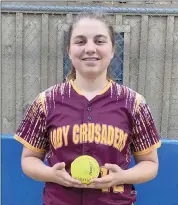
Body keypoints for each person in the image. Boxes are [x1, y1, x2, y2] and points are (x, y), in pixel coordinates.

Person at [14, 12, 161, 205]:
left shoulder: (134, 103)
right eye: (80, 41)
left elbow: (150, 164)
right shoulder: (46, 101)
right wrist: (50, 173)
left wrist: (122, 177)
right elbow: (28, 159)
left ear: (113, 50)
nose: (90, 49)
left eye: (100, 41)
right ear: (68, 50)